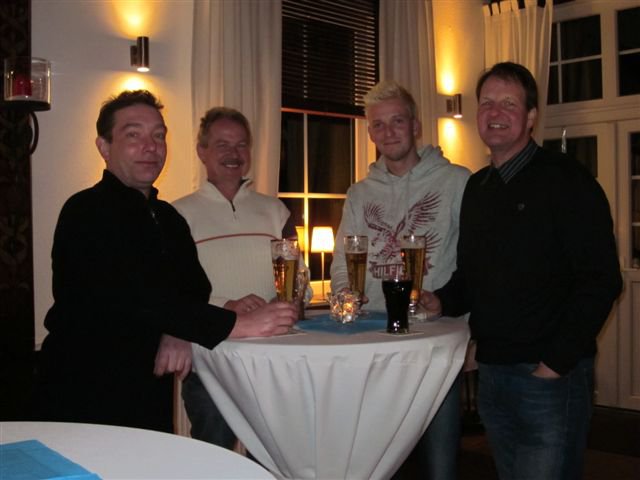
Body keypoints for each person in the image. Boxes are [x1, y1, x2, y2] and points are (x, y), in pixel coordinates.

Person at [34, 90, 297, 434]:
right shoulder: (85, 211)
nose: (150, 146)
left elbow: (193, 287)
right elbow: (130, 296)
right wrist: (236, 324)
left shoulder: (167, 216)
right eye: (133, 135)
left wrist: (177, 331)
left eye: (158, 136)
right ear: (104, 147)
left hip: (149, 389)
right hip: (84, 387)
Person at [422, 62, 623, 480]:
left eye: (508, 103)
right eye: (486, 103)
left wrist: (555, 365)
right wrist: (439, 301)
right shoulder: (478, 188)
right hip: (493, 372)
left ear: (531, 116)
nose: (495, 112)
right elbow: (471, 278)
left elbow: (601, 280)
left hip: (547, 377)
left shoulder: (566, 180)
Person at [330, 80, 471, 480]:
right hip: (374, 341)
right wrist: (345, 296)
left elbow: (475, 262)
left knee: (439, 467)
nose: (388, 131)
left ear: (415, 125)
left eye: (397, 121)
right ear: (370, 133)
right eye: (378, 124)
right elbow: (343, 260)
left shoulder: (457, 181)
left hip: (434, 344)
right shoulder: (359, 193)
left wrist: (457, 313)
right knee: (374, 465)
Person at [173, 106, 297, 449]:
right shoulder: (176, 214)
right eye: (222, 144)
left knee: (273, 456)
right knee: (214, 458)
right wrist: (226, 306)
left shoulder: (276, 210)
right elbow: (171, 290)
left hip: (272, 359)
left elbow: (297, 278)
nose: (234, 153)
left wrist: (282, 304)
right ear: (202, 151)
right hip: (211, 361)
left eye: (242, 145)